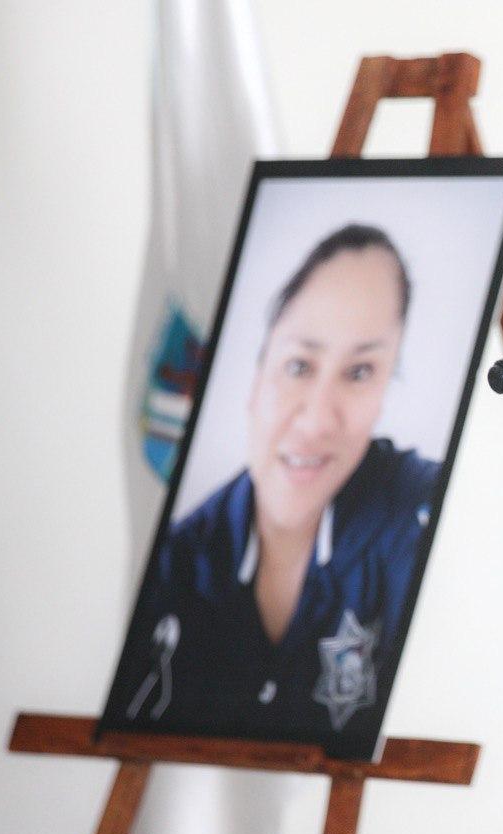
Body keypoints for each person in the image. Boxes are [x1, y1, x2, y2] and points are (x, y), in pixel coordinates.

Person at [102, 223, 440, 752]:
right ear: (256, 380)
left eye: (360, 372)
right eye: (299, 365)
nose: (317, 419)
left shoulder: (418, 517)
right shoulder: (178, 564)